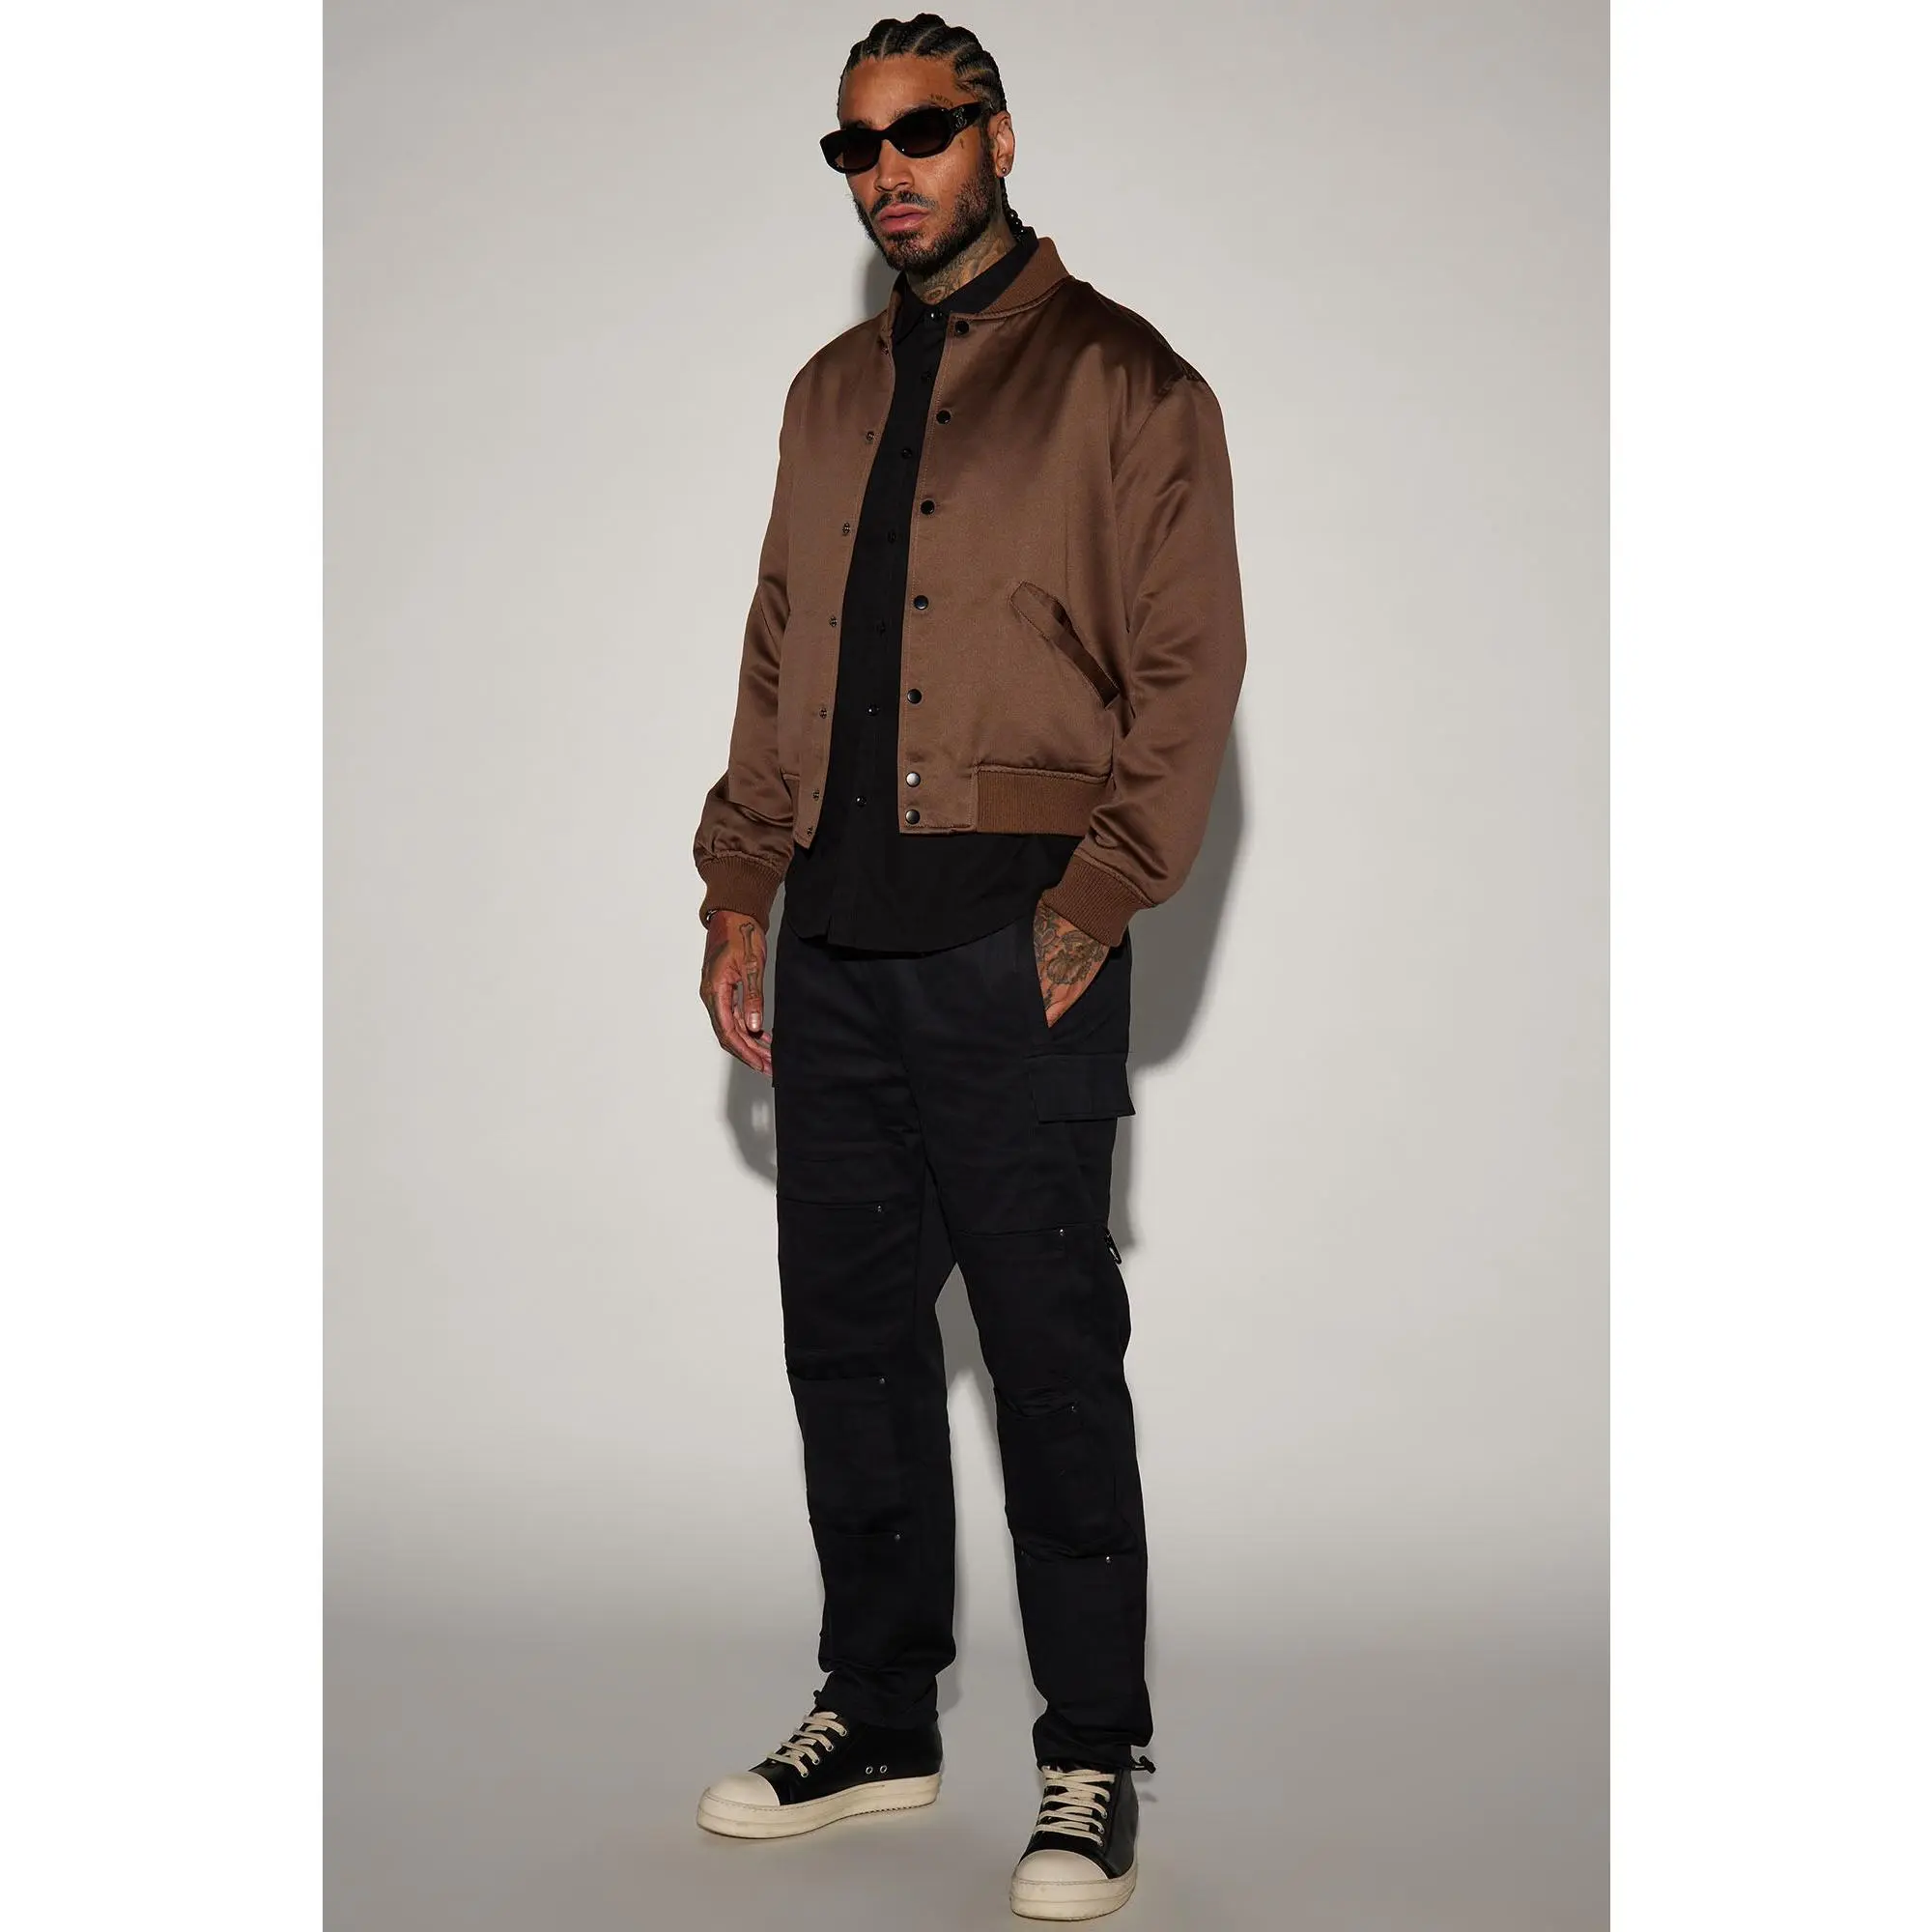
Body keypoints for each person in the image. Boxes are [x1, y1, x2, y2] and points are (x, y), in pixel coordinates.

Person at [690, 14, 1245, 1920]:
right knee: (848, 1348)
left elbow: (1188, 676)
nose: (889, 172)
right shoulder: (827, 393)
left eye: (921, 132)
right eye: (854, 147)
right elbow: (779, 647)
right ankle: (878, 1714)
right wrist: (739, 886)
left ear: (999, 136)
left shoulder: (1129, 382)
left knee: (1049, 1358)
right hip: (836, 938)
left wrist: (1095, 902)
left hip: (1018, 938)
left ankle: (1090, 1751)